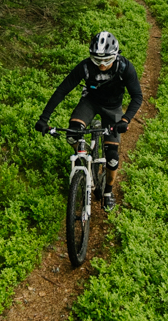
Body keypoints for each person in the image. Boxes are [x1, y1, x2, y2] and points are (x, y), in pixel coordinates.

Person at [35, 31, 143, 210]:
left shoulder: (125, 67)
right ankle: (82, 157)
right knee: (72, 134)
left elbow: (137, 96)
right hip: (90, 102)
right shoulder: (84, 67)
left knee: (113, 158)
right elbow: (62, 90)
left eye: (106, 61)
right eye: (97, 60)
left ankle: (108, 191)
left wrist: (125, 119)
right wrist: (44, 118)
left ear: (115, 56)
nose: (101, 65)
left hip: (113, 108)